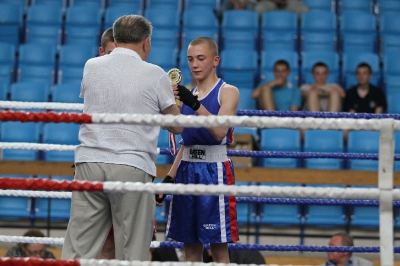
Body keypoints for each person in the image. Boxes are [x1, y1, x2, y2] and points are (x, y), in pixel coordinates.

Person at [61, 14, 183, 261]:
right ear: (146, 42)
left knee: (78, 247)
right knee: (131, 248)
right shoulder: (155, 74)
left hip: (90, 163)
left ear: (114, 39)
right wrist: (172, 100)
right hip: (132, 165)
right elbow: (176, 126)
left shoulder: (91, 66)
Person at [156, 37, 240, 263]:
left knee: (218, 248)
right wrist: (169, 177)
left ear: (215, 60)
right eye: (191, 59)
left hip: (215, 172)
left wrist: (194, 105)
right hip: (186, 171)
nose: (194, 64)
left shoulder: (227, 91)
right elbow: (186, 142)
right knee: (190, 247)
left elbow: (220, 132)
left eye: (201, 59)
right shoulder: (186, 94)